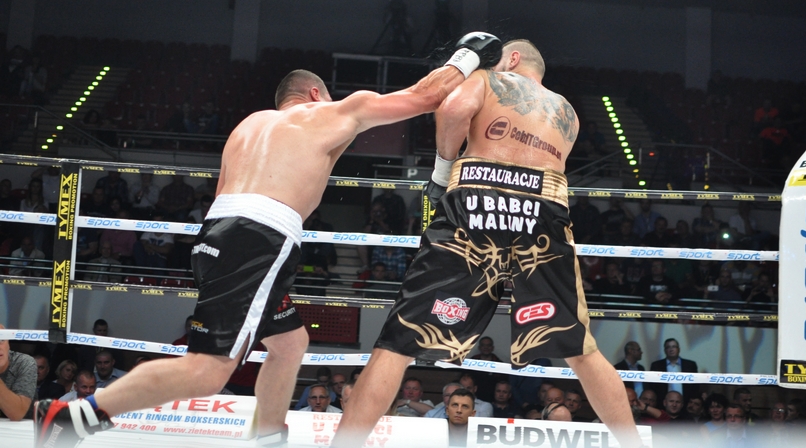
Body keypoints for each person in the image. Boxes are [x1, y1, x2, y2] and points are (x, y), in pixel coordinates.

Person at [34, 45, 474, 448]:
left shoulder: (248, 127)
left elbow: (222, 194)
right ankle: (74, 416)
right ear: (316, 94)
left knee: (290, 343)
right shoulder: (330, 111)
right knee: (208, 370)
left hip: (217, 236)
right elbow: (426, 96)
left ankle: (269, 436)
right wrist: (470, 55)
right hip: (258, 240)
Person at [332, 39, 642, 448]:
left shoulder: (488, 79)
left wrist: (442, 171)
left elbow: (453, 109)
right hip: (543, 209)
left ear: (512, 59)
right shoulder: (566, 110)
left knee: (399, 341)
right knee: (581, 349)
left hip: (478, 197)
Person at [0, 324, 36, 420]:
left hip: (23, 427)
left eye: (1, 340)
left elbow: (17, 413)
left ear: (8, 344)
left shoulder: (24, 363)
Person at [650, 338, 698, 404]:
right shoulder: (656, 366)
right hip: (663, 404)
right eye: (668, 347)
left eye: (674, 347)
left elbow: (695, 386)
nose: (671, 349)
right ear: (665, 350)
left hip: (686, 403)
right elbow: (653, 387)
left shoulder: (690, 365)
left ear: (679, 349)